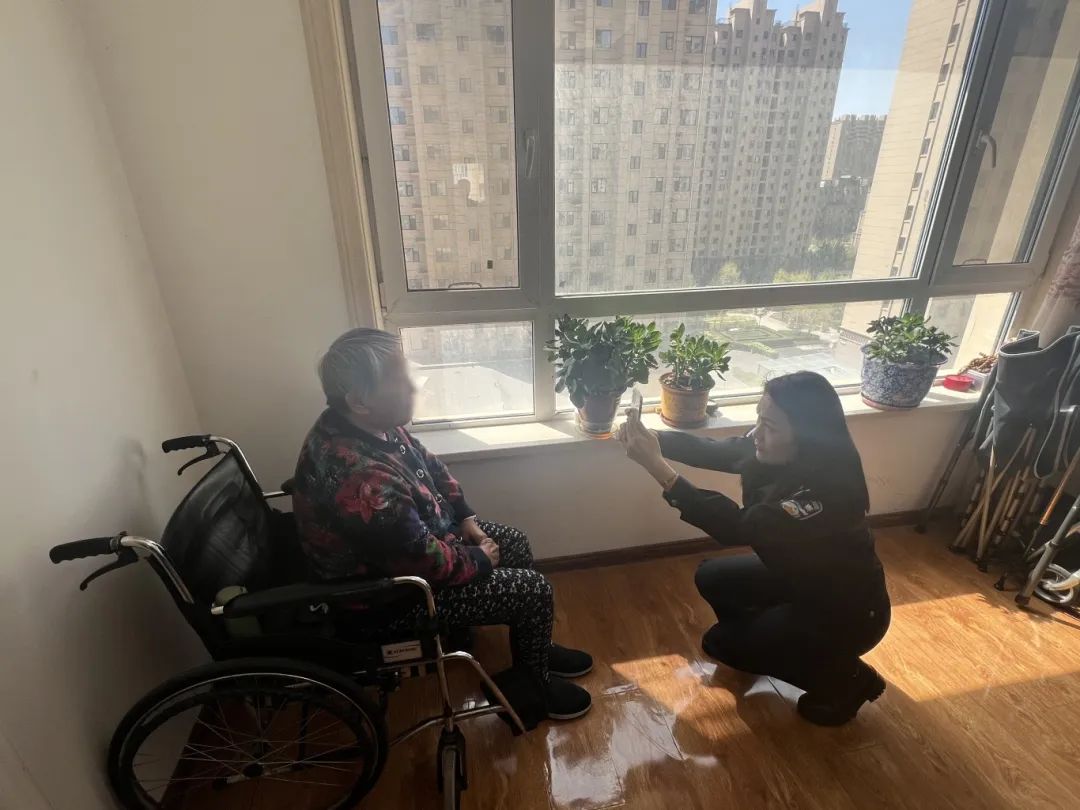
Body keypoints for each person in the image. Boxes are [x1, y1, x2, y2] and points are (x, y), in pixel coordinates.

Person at [293, 328, 593, 720]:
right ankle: (534, 688)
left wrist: (466, 517)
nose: (413, 386)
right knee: (534, 591)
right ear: (359, 400)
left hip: (421, 545)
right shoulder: (361, 478)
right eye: (399, 379)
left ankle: (535, 651)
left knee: (515, 542)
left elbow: (431, 467)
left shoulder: (370, 424)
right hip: (389, 598)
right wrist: (481, 558)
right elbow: (424, 563)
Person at [617, 371, 890, 726]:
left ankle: (848, 679)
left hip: (847, 612)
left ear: (806, 436)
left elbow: (737, 526)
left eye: (770, 426)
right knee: (712, 577)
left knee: (722, 644)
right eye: (759, 418)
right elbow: (720, 450)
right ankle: (766, 639)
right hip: (801, 581)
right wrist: (654, 439)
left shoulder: (825, 495)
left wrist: (657, 467)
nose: (756, 433)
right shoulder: (778, 449)